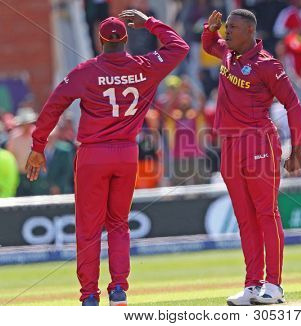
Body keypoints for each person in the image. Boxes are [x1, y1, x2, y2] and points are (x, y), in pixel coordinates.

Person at [25, 10, 189, 306]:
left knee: (88, 228)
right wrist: (150, 23)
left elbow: (53, 107)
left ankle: (89, 295)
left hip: (93, 154)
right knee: (118, 224)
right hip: (126, 154)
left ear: (100, 41)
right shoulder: (146, 66)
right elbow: (179, 47)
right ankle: (119, 291)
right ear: (126, 39)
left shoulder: (85, 71)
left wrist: (37, 147)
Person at [202, 9, 301, 305]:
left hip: (259, 142)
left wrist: (296, 149)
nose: (226, 32)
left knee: (266, 213)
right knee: (245, 219)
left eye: (232, 28)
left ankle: (274, 286)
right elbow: (209, 45)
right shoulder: (227, 53)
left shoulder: (267, 65)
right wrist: (210, 29)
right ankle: (252, 286)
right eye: (226, 28)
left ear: (249, 31)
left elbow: (293, 104)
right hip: (230, 146)